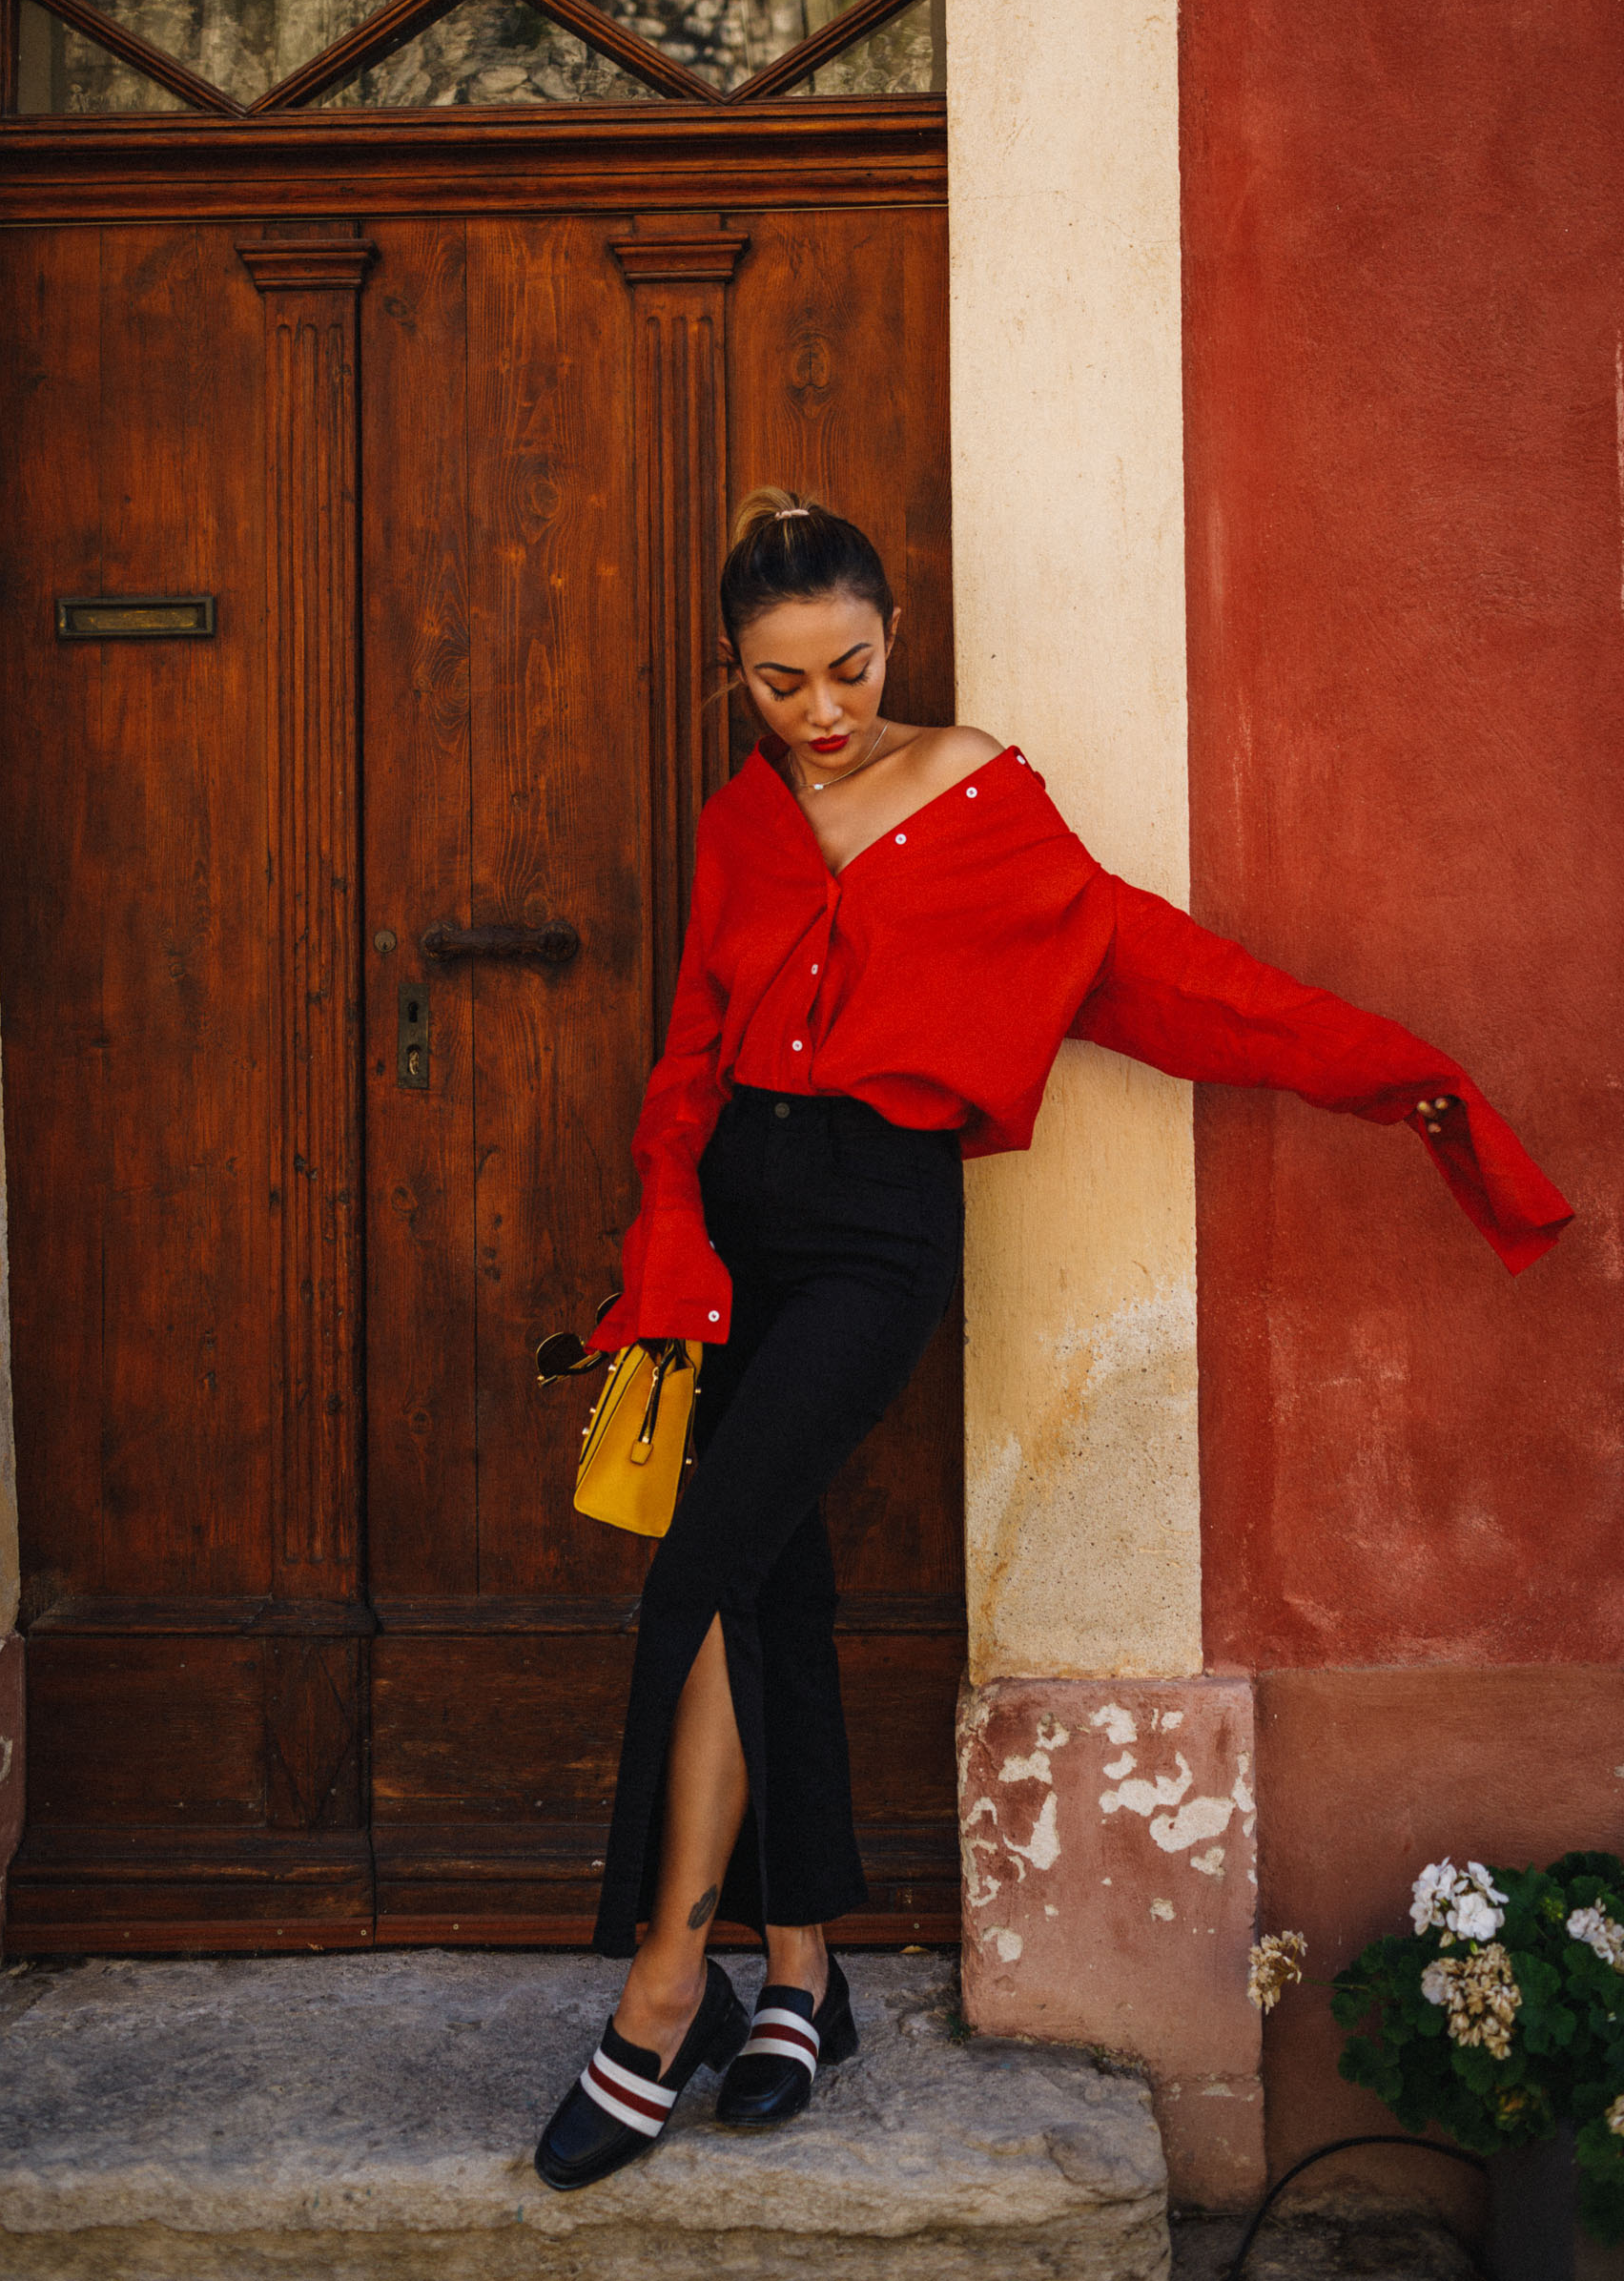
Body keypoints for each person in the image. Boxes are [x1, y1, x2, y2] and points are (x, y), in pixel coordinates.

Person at [533, 488, 1572, 2192]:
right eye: (780, 686)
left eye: (849, 670)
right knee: (769, 1566)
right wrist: (666, 1231)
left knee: (701, 1564)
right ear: (739, 680)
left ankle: (662, 1994)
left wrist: (1401, 1078)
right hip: (732, 1221)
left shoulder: (984, 799)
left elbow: (1161, 973)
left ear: (893, 636)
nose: (823, 713)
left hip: (876, 1231)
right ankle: (802, 1980)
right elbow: (690, 1051)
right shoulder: (741, 821)